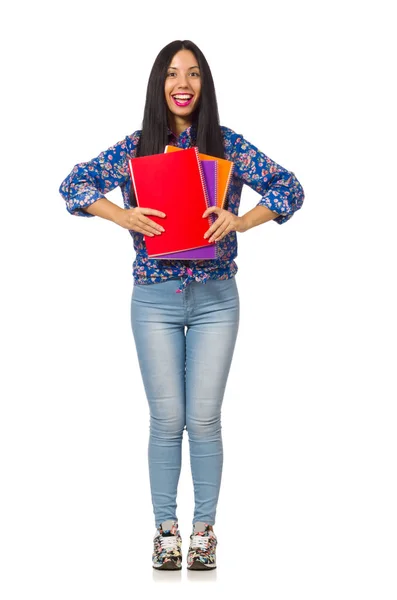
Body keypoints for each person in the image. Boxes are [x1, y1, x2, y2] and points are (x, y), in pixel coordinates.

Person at [59, 39, 304, 571]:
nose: (183, 83)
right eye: (173, 74)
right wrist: (121, 216)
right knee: (167, 418)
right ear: (159, 84)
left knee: (206, 418)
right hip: (153, 299)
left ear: (204, 84)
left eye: (193, 73)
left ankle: (204, 533)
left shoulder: (226, 145)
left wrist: (241, 221)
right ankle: (166, 532)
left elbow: (288, 189)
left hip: (217, 297)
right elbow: (73, 185)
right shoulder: (136, 149)